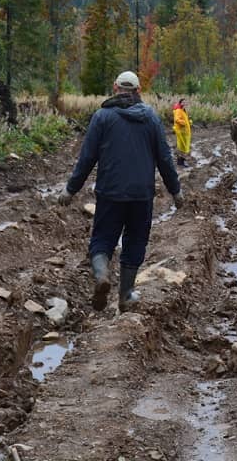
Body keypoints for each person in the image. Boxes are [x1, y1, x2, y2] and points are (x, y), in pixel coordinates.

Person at [59, 70, 182, 312]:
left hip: (110, 192)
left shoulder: (102, 117)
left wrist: (71, 189)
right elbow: (165, 159)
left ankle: (102, 274)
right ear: (138, 91)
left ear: (115, 88)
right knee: (135, 242)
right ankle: (125, 295)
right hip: (141, 195)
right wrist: (175, 191)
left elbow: (87, 158)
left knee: (102, 240)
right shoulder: (151, 118)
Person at [172, 97, 191, 167]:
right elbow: (177, 119)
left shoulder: (183, 111)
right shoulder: (178, 110)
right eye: (183, 102)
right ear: (180, 103)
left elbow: (183, 120)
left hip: (185, 132)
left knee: (183, 147)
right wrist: (184, 123)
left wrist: (188, 122)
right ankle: (181, 162)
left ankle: (180, 161)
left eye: (186, 102)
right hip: (182, 132)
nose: (185, 103)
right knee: (182, 147)